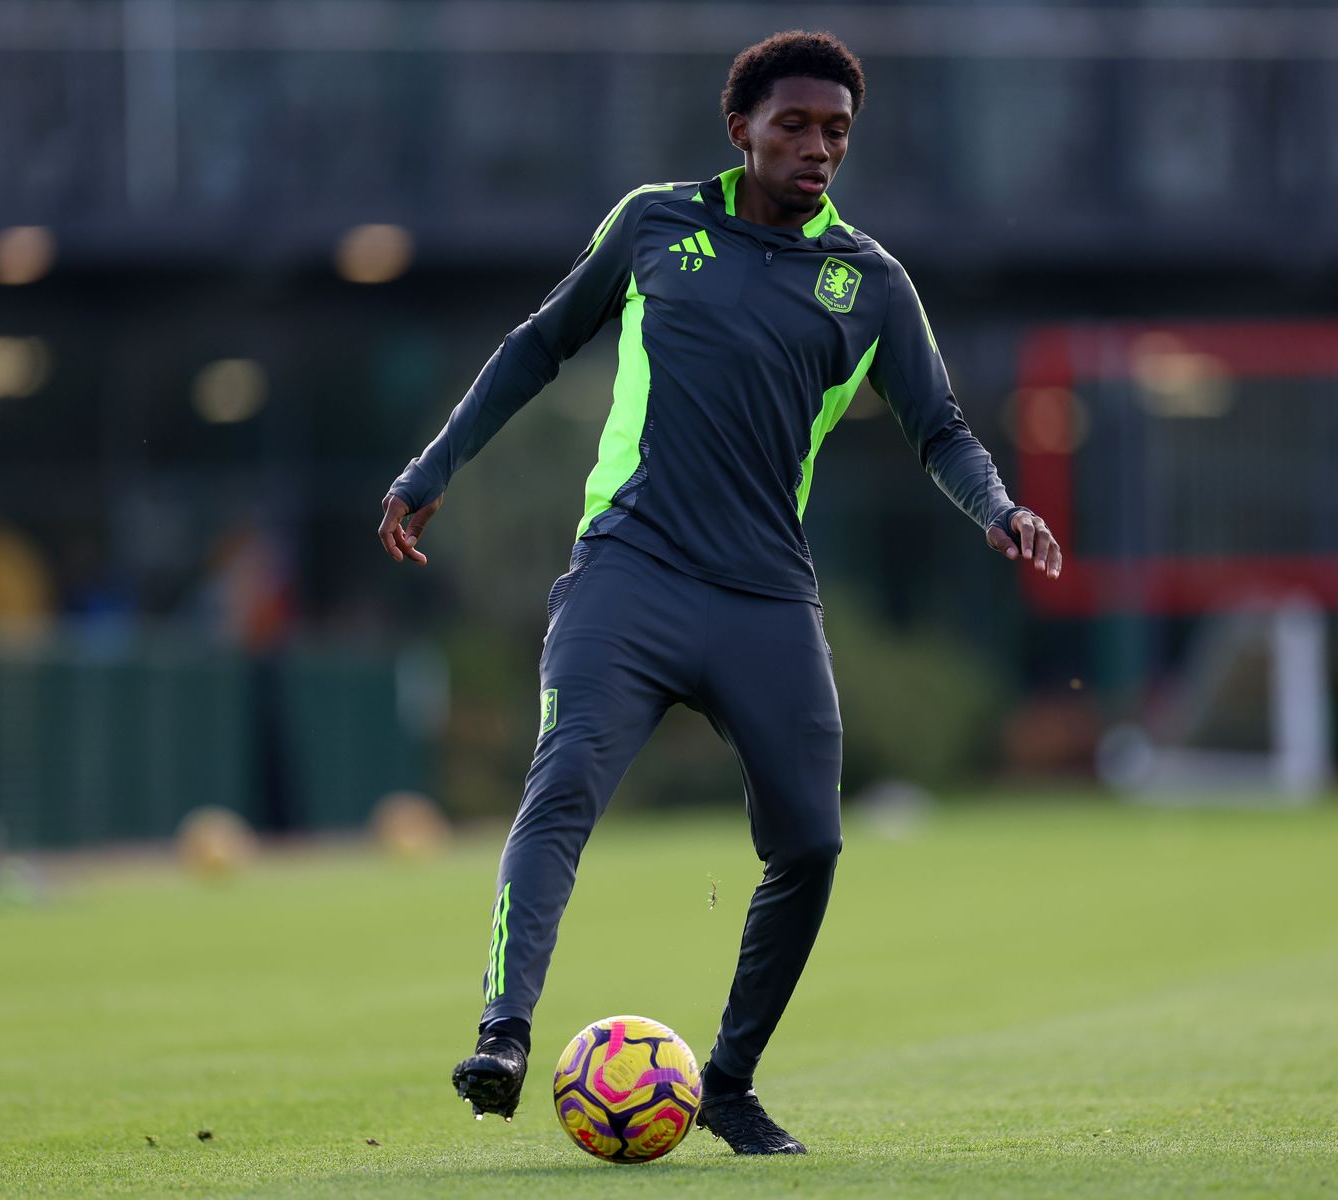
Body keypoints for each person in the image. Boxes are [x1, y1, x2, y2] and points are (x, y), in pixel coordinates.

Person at [377, 30, 1061, 1155]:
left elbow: (940, 427)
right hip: (627, 576)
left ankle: (729, 1083)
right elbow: (539, 343)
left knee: (812, 847)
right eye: (793, 124)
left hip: (764, 601)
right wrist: (432, 467)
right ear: (739, 127)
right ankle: (504, 1036)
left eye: (837, 130)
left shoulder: (872, 285)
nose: (817, 147)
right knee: (563, 792)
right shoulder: (654, 222)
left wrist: (999, 508)